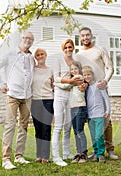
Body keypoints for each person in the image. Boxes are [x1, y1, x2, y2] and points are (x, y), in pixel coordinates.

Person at [0, 31, 35, 170]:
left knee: (23, 126)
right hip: (13, 94)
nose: (27, 41)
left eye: (30, 39)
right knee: (10, 125)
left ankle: (19, 156)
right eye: (26, 38)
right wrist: (0, 84)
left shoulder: (31, 57)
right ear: (21, 39)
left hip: (27, 96)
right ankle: (6, 159)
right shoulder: (10, 54)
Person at [75, 27, 119, 160]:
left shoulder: (100, 50)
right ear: (80, 37)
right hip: (87, 91)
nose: (85, 38)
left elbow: (110, 67)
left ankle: (109, 149)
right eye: (83, 36)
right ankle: (96, 150)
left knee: (106, 119)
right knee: (92, 120)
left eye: (87, 35)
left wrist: (105, 81)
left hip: (100, 88)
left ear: (91, 36)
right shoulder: (78, 55)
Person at [52, 39, 84, 167]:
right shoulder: (58, 60)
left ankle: (66, 153)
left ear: (73, 47)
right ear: (62, 49)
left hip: (71, 95)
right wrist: (70, 81)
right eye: (66, 48)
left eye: (70, 47)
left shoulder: (75, 62)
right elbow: (56, 79)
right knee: (58, 126)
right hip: (59, 94)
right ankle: (56, 157)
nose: (68, 50)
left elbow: (80, 77)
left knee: (68, 126)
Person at [83, 65, 110, 162]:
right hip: (90, 116)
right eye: (85, 75)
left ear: (92, 75)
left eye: (88, 74)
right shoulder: (85, 88)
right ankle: (96, 152)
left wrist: (107, 111)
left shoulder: (99, 85)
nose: (87, 77)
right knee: (93, 136)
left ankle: (101, 154)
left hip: (99, 114)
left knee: (99, 135)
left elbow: (106, 98)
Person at [31, 48, 54, 164]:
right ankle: (39, 155)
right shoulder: (32, 70)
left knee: (46, 128)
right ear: (35, 57)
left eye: (42, 54)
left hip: (48, 101)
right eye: (38, 55)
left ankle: (45, 156)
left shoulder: (50, 71)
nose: (40, 56)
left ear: (45, 55)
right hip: (35, 101)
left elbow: (54, 87)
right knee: (38, 129)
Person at [69, 61, 88, 164]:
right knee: (76, 131)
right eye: (72, 69)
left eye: (75, 69)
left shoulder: (79, 78)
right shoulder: (71, 79)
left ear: (79, 70)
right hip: (72, 107)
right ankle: (78, 152)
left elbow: (69, 83)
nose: (73, 71)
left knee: (80, 130)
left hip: (80, 107)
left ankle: (83, 153)